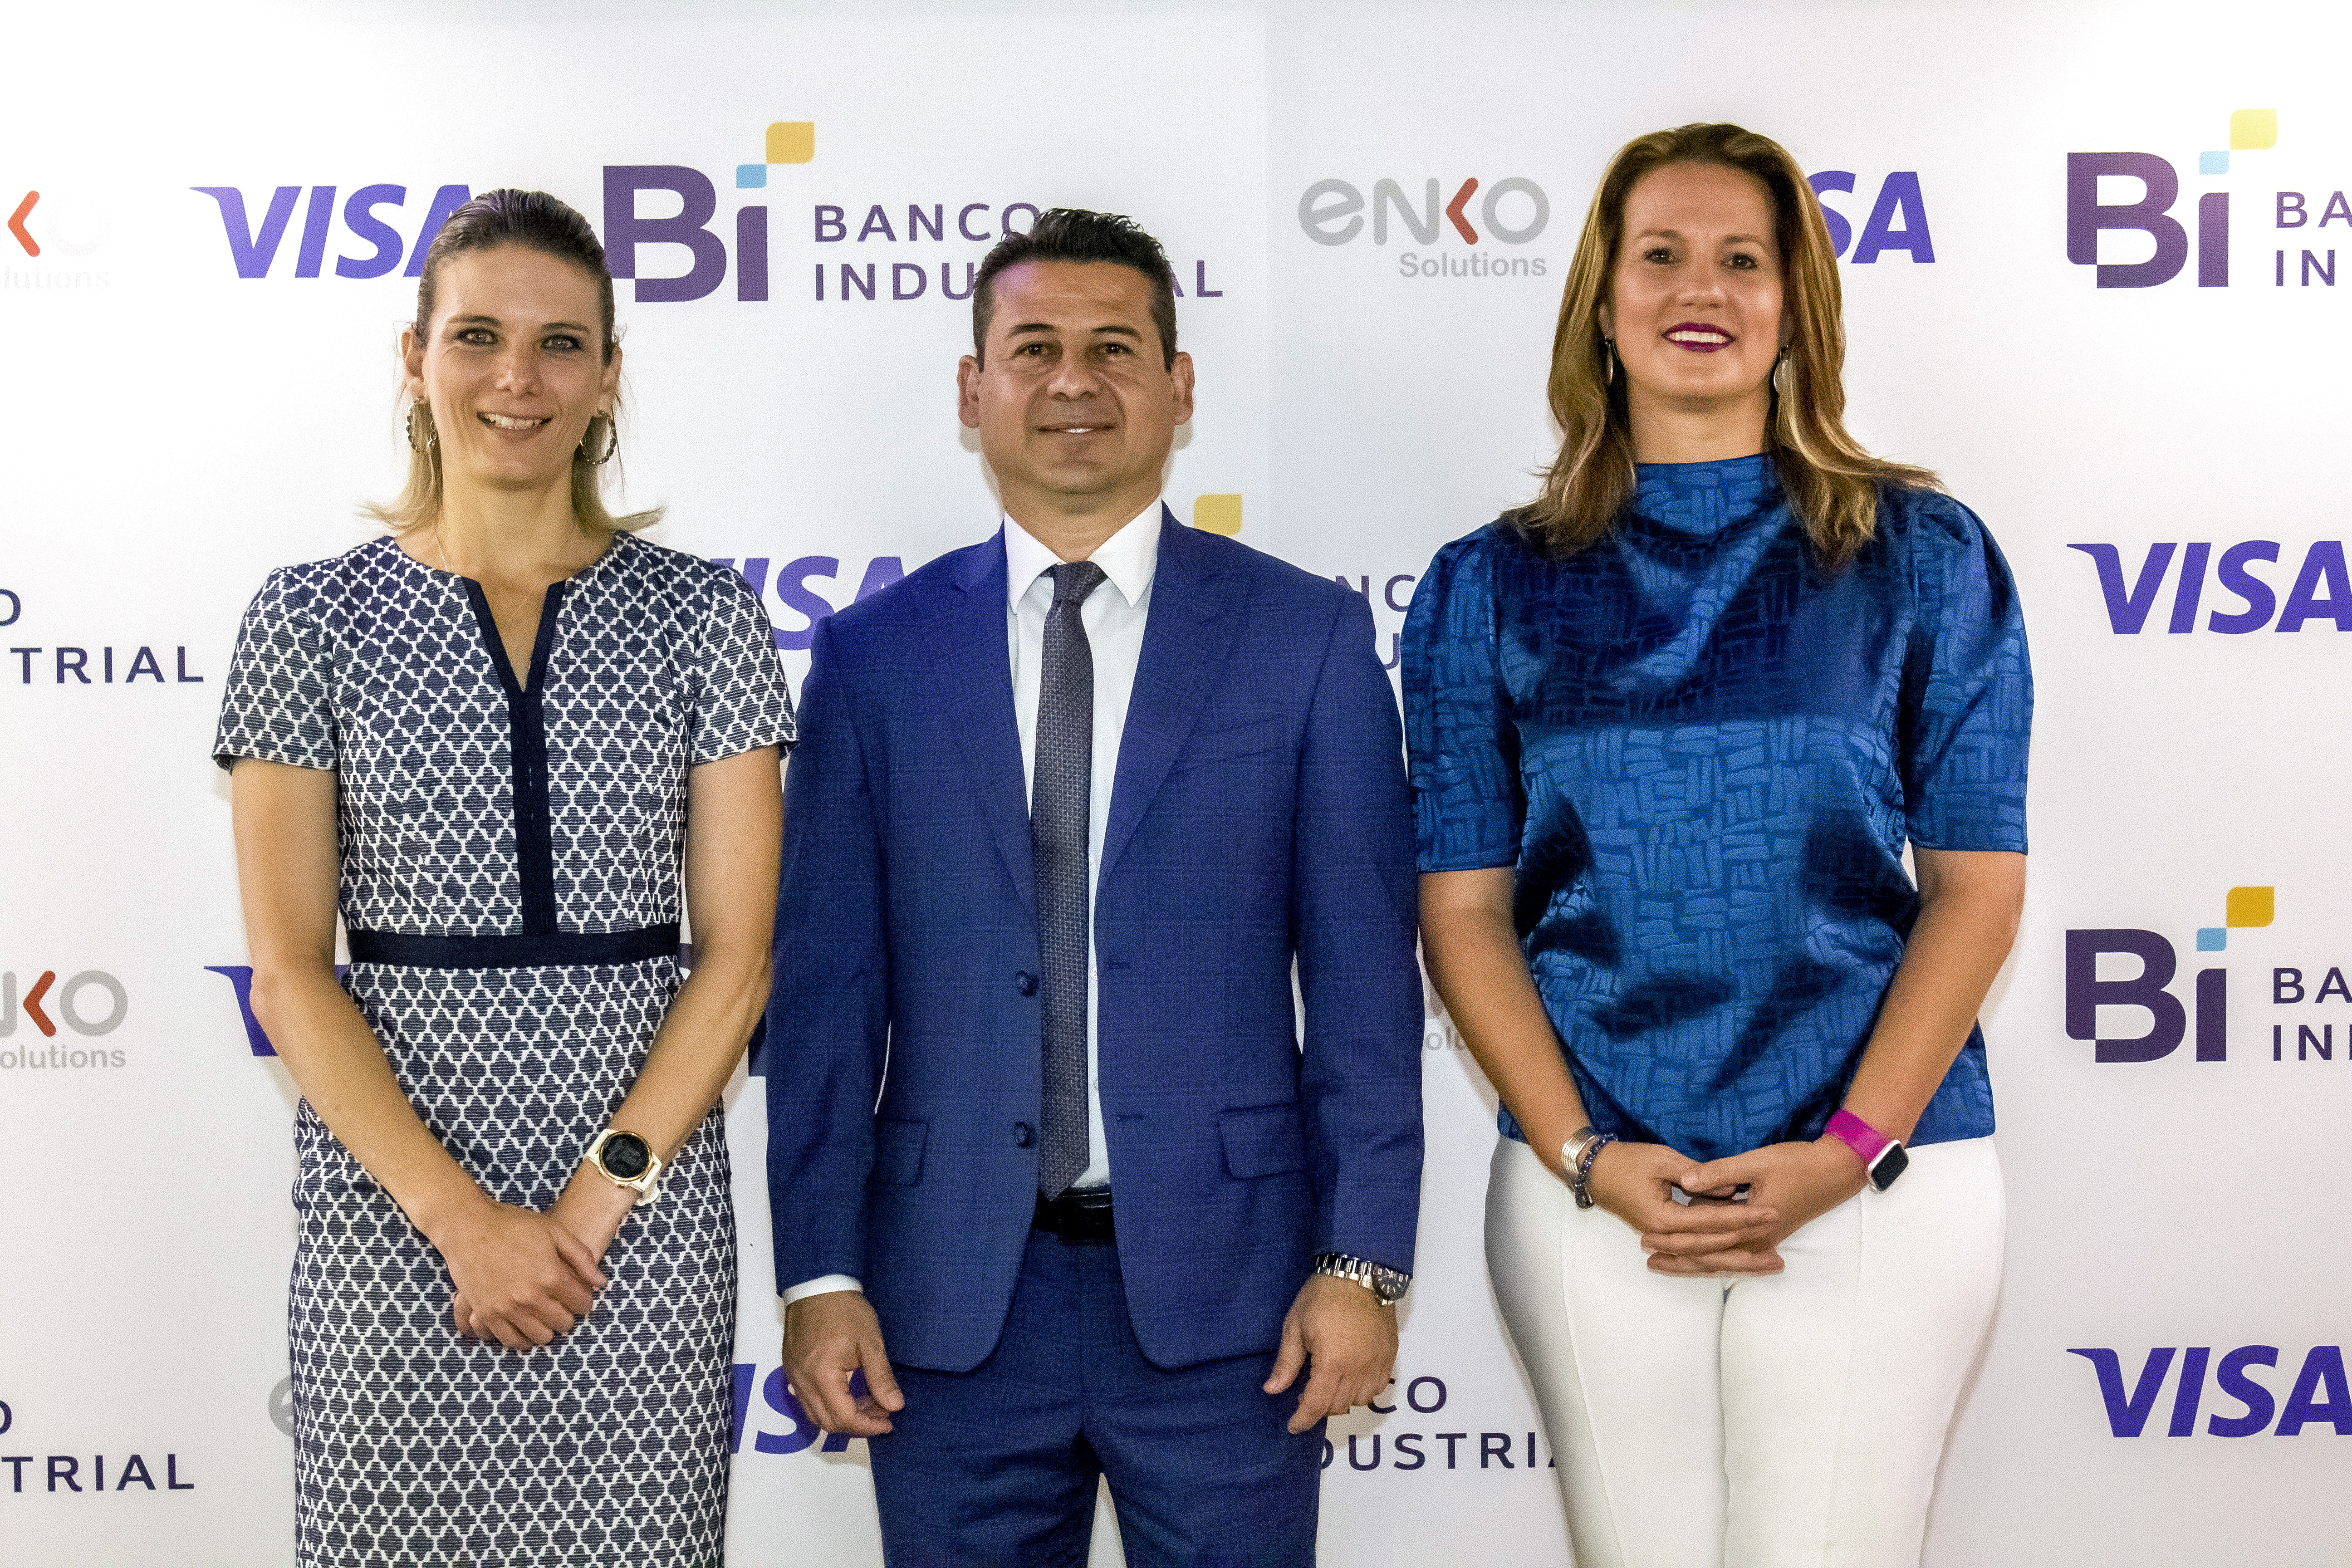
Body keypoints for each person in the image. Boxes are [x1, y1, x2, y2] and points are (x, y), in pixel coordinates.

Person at [1406, 123, 2031, 1568]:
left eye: (1745, 258)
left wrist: (1850, 1151)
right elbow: (1464, 914)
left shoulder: (1924, 557)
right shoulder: (1485, 587)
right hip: (1595, 1185)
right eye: (1662, 254)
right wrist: (1586, 1152)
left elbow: (1978, 893)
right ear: (1603, 303)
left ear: (1795, 304)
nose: (1704, 287)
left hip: (1883, 1175)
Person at [764, 207, 1423, 1566]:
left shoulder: (1304, 639)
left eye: (1116, 349)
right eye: (1035, 349)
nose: (1075, 382)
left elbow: (1366, 985)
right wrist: (823, 1273)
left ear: (1181, 389)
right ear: (974, 389)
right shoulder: (874, 661)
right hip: (947, 1309)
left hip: (1234, 1304)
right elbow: (827, 1001)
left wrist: (1360, 1263)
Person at [216, 189, 794, 1568]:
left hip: (639, 1240)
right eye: (476, 335)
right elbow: (290, 973)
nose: (516, 377)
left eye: (561, 344)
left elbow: (739, 958)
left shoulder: (703, 613)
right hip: (393, 1222)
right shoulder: (306, 620)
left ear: (608, 381)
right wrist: (464, 1225)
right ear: (412, 359)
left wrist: (591, 1210)